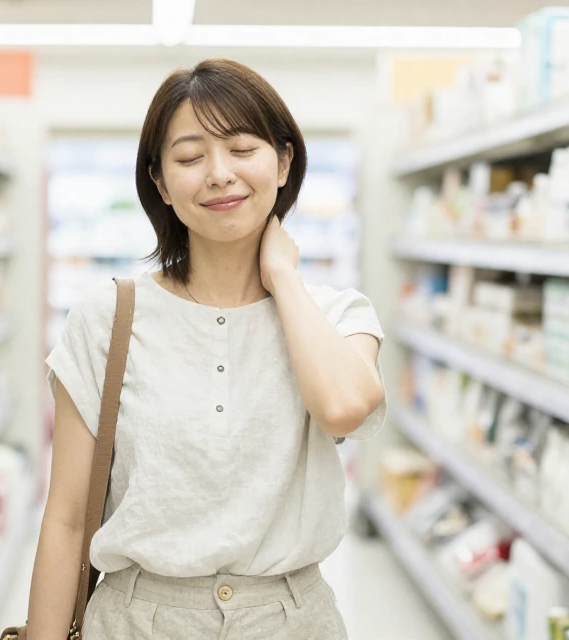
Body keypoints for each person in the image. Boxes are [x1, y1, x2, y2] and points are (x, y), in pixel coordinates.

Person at [26, 58, 387, 639]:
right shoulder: (107, 319)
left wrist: (283, 278)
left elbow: (345, 407)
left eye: (243, 149)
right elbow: (66, 520)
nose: (219, 174)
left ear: (284, 160)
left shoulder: (338, 316)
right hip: (136, 622)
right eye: (191, 158)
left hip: (291, 622)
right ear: (162, 184)